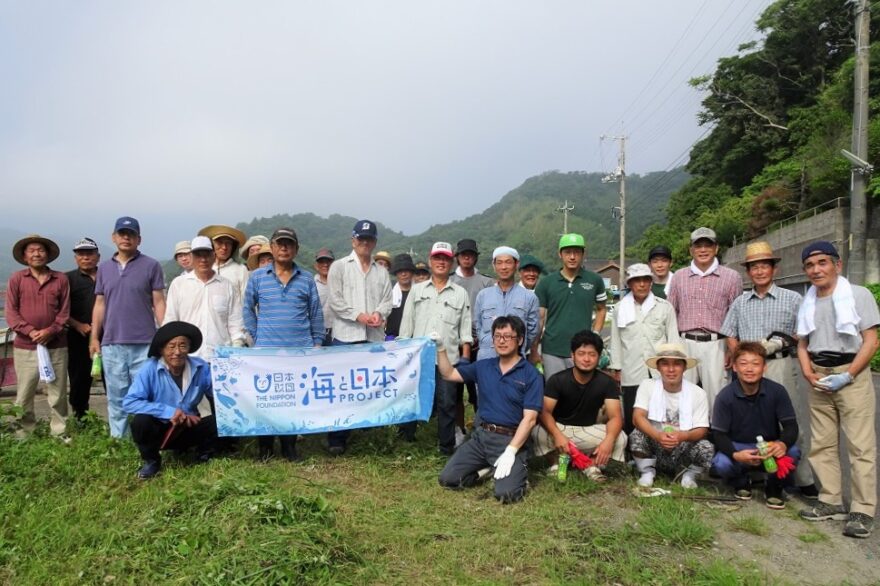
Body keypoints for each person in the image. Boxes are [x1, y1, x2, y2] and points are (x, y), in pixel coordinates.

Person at [796, 240, 879, 538]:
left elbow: (871, 340)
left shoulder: (858, 295)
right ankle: (831, 499)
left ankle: (863, 508)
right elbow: (802, 342)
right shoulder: (808, 300)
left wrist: (849, 374)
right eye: (810, 265)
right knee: (823, 443)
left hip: (850, 373)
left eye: (822, 263)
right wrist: (807, 371)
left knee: (860, 444)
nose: (816, 270)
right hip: (818, 374)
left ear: (837, 264)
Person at [719, 241, 816, 496]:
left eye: (764, 266)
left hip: (779, 363)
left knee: (790, 419)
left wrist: (779, 343)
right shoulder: (741, 302)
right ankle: (748, 473)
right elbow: (730, 333)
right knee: (745, 418)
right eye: (754, 267)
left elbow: (802, 333)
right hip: (747, 368)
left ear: (774, 269)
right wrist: (738, 356)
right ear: (748, 272)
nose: (760, 271)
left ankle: (802, 478)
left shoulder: (793, 298)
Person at [437, 316, 542, 503]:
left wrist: (511, 451)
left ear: (519, 340)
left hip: (510, 440)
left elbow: (530, 420)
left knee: (506, 494)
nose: (502, 341)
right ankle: (484, 471)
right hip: (481, 438)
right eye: (497, 336)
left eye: (508, 336)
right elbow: (449, 373)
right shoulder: (483, 366)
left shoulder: (531, 374)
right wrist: (441, 349)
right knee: (448, 479)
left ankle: (519, 473)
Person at [243, 227, 324, 461]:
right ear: (273, 246)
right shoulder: (257, 277)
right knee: (266, 400)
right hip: (267, 352)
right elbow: (247, 308)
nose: (284, 248)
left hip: (299, 351)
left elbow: (315, 313)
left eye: (289, 244)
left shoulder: (306, 278)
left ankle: (290, 447)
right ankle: (265, 449)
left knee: (293, 400)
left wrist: (317, 342)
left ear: (296, 249)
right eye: (280, 243)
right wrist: (258, 337)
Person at [90, 217, 166, 438]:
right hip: (112, 344)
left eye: (131, 234)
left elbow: (159, 302)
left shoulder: (151, 265)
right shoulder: (104, 269)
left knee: (147, 394)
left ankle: (149, 440)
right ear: (113, 238)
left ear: (138, 239)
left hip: (145, 344)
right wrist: (94, 337)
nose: (126, 237)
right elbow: (100, 304)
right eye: (121, 233)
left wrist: (165, 335)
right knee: (117, 396)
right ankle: (120, 441)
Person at [398, 242, 472, 452]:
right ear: (430, 261)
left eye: (445, 259)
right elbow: (407, 325)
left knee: (447, 403)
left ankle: (446, 445)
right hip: (418, 358)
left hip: (447, 359)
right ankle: (406, 439)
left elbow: (465, 330)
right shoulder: (417, 290)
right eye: (437, 258)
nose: (441, 262)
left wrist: (465, 357)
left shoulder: (460, 293)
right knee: (412, 399)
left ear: (451, 262)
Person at [326, 219, 393, 454]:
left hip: (373, 337)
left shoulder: (382, 271)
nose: (365, 242)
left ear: (374, 242)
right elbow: (335, 301)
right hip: (346, 336)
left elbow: (387, 300)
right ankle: (337, 437)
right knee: (342, 388)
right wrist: (359, 316)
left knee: (369, 387)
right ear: (353, 240)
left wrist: (378, 313)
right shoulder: (339, 267)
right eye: (361, 238)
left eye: (369, 239)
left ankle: (366, 430)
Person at [711, 342, 802, 510]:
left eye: (755, 363)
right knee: (721, 463)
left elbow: (791, 426)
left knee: (793, 452)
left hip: (768, 446)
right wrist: (736, 454)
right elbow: (718, 435)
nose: (749, 369)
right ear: (735, 367)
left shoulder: (777, 391)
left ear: (764, 367)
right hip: (739, 445)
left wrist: (781, 444)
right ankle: (740, 481)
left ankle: (774, 485)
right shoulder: (725, 396)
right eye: (743, 363)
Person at [122, 321, 217, 479]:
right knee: (141, 421)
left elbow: (218, 392)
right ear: (161, 349)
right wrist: (169, 412)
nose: (177, 352)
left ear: (189, 348)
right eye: (171, 346)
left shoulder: (200, 367)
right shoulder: (149, 369)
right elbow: (130, 402)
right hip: (160, 428)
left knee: (217, 421)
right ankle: (151, 461)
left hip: (187, 426)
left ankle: (204, 453)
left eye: (183, 345)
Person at [533, 330, 625, 481]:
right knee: (536, 431)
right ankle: (556, 463)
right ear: (572, 355)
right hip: (561, 429)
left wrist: (608, 440)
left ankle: (591, 466)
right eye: (581, 353)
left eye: (592, 354)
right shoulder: (557, 380)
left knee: (619, 437)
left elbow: (615, 416)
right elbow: (545, 412)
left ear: (599, 357)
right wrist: (558, 435)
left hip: (588, 430)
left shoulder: (607, 382)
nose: (586, 359)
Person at [666, 227, 742, 410]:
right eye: (698, 246)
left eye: (708, 245)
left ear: (716, 248)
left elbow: (736, 316)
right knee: (681, 393)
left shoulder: (732, 277)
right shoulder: (678, 277)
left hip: (716, 345)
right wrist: (672, 348)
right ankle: (684, 435)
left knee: (717, 395)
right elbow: (671, 313)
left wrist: (732, 350)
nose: (703, 250)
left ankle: (717, 435)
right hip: (685, 343)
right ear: (691, 250)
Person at [5, 234, 70, 438]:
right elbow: (11, 313)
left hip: (56, 345)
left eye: (40, 250)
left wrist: (50, 330)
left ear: (48, 255)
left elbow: (64, 312)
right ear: (25, 256)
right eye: (32, 250)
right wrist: (31, 331)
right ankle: (24, 433)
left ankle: (60, 433)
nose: (36, 254)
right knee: (24, 392)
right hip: (26, 346)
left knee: (57, 392)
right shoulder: (17, 279)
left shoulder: (60, 279)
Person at [629, 343, 714, 489]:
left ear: (684, 367)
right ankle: (647, 472)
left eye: (677, 364)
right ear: (658, 367)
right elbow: (637, 417)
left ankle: (688, 474)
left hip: (682, 447)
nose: (671, 369)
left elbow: (702, 429)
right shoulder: (647, 385)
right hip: (656, 445)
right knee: (636, 435)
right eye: (665, 364)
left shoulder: (698, 393)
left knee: (706, 447)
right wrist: (657, 435)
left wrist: (682, 436)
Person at [609, 263, 679, 436]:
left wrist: (674, 366)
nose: (641, 284)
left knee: (661, 413)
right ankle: (634, 454)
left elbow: (673, 339)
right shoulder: (620, 309)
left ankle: (663, 447)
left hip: (659, 370)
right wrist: (616, 368)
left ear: (651, 282)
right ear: (629, 284)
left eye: (645, 280)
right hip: (632, 369)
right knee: (633, 412)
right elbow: (616, 341)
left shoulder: (664, 307)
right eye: (636, 280)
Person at [535, 233, 607, 379]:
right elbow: (539, 318)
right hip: (552, 349)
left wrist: (595, 334)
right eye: (568, 252)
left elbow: (601, 309)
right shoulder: (546, 282)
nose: (572, 257)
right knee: (555, 394)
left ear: (583, 254)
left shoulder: (595, 280)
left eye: (577, 252)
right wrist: (535, 347)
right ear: (560, 254)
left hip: (583, 350)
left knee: (582, 395)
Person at [164, 236, 246, 360]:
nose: (203, 259)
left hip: (220, 357)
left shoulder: (226, 285)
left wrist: (237, 348)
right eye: (198, 255)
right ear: (191, 257)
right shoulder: (179, 284)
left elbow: (235, 322)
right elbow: (171, 320)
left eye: (207, 254)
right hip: (188, 357)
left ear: (213, 256)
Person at [451, 238, 495, 442]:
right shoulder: (450, 280)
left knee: (481, 390)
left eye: (470, 254)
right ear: (457, 257)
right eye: (463, 254)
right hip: (455, 342)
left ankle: (481, 429)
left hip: (481, 343)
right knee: (456, 391)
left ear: (476, 257)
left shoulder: (487, 282)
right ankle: (459, 431)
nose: (467, 257)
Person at [473, 246, 539, 361]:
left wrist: (518, 347)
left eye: (508, 262)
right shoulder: (483, 295)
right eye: (499, 263)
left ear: (516, 264)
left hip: (516, 360)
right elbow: (478, 326)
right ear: (494, 266)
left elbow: (532, 331)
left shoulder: (529, 297)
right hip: (486, 359)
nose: (503, 267)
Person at [66, 237, 101, 420]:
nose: (86, 257)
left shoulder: (108, 275)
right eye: (81, 254)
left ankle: (118, 424)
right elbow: (60, 310)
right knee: (79, 382)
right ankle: (81, 421)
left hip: (108, 337)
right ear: (76, 258)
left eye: (90, 253)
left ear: (98, 256)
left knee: (115, 381)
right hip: (78, 338)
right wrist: (77, 325)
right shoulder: (67, 279)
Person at [198, 224, 249, 301]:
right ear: (212, 245)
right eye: (219, 242)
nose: (224, 247)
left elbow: (246, 300)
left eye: (228, 243)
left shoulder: (240, 270)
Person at [386, 253, 416, 340]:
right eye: (400, 271)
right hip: (392, 341)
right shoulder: (389, 294)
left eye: (406, 270)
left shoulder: (420, 294)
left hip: (415, 340)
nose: (403, 274)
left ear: (411, 272)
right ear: (396, 273)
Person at [313, 247, 335, 345]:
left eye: (328, 262)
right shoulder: (311, 285)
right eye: (321, 262)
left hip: (337, 334)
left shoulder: (341, 284)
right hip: (316, 334)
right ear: (316, 266)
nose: (325, 265)